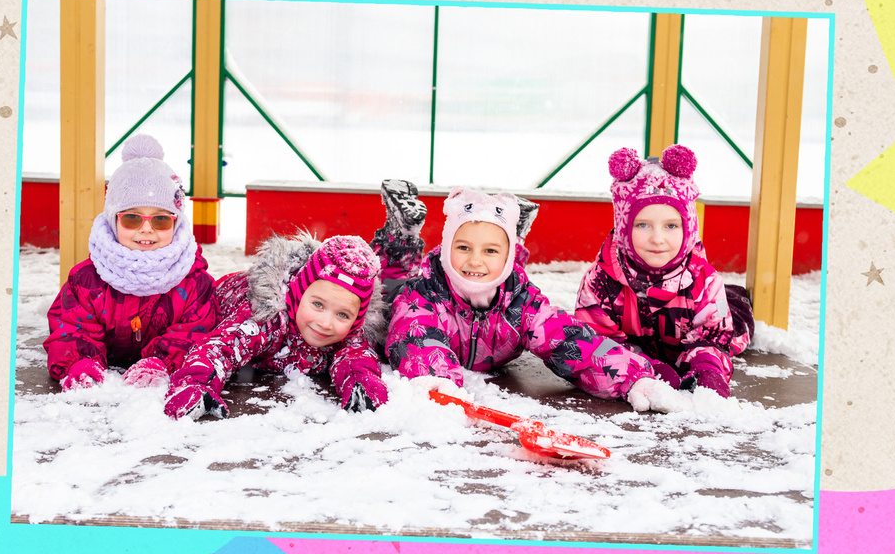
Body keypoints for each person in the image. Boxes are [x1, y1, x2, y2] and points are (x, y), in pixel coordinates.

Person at [365, 182, 659, 401]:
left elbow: (573, 339)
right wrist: (435, 379)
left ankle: (511, 234)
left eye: (490, 250)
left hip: (503, 288)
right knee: (390, 284)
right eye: (463, 247)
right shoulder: (422, 297)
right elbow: (416, 336)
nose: (474, 259)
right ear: (447, 248)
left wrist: (633, 378)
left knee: (496, 271)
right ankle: (401, 232)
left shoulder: (522, 304)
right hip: (405, 295)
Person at [574, 146, 753, 411]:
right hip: (641, 345)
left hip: (699, 323)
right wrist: (648, 370)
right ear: (623, 227)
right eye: (642, 225)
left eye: (671, 225)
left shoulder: (705, 282)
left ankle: (737, 298)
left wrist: (707, 371)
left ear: (688, 227)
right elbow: (595, 343)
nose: (657, 238)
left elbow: (713, 338)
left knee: (737, 317)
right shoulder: (599, 282)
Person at [43, 134, 218, 389]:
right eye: (132, 219)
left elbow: (196, 331)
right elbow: (70, 329)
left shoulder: (195, 283)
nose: (146, 230)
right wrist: (80, 362)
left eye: (160, 220)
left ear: (176, 222)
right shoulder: (85, 281)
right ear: (114, 221)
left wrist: (162, 362)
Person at [162, 233, 387, 419]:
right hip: (222, 298)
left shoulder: (351, 331)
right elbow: (221, 347)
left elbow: (357, 356)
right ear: (298, 293)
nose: (325, 323)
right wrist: (195, 384)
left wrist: (363, 385)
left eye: (342, 314)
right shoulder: (264, 317)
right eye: (318, 304)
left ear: (357, 319)